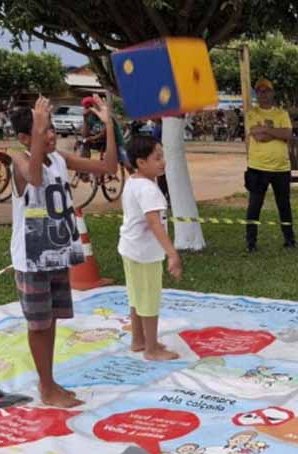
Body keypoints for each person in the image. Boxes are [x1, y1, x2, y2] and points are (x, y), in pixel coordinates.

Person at [9, 95, 118, 408]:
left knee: (52, 321)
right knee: (38, 324)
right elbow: (34, 178)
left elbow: (108, 166)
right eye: (44, 130)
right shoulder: (17, 158)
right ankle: (46, 387)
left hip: (56, 252)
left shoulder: (60, 159)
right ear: (25, 138)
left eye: (52, 128)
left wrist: (109, 125)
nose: (52, 135)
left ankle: (50, 381)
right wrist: (38, 127)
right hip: (31, 257)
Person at [118, 135, 183, 360]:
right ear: (141, 162)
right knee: (148, 300)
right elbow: (154, 223)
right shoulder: (148, 189)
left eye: (162, 156)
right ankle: (151, 348)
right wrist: (172, 254)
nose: (163, 162)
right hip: (144, 254)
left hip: (130, 249)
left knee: (136, 297)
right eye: (157, 158)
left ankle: (138, 340)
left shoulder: (133, 182)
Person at [244, 79, 296, 252]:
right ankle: (251, 242)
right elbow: (257, 136)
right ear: (256, 94)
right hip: (257, 167)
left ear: (273, 93)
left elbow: (287, 133)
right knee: (254, 206)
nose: (263, 94)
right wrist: (276, 133)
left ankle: (289, 239)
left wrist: (266, 130)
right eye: (259, 91)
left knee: (284, 205)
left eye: (266, 91)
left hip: (281, 167)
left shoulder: (282, 113)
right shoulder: (251, 113)